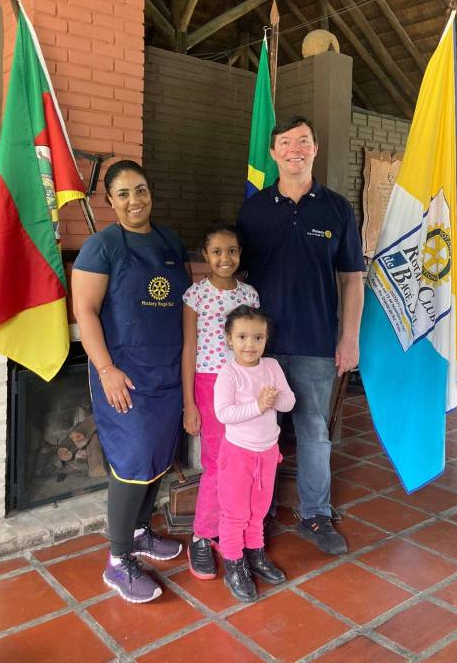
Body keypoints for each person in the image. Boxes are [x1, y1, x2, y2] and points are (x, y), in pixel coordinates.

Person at [236, 116, 365, 555]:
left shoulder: (337, 209)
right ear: (273, 153)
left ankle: (315, 514)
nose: (295, 148)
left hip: (315, 344)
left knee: (314, 433)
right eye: (286, 142)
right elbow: (236, 274)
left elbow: (352, 279)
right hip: (259, 349)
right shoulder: (253, 210)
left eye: (304, 141)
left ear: (315, 149)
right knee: (258, 432)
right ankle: (257, 512)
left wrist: (349, 339)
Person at [72, 160, 191, 604]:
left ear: (150, 192)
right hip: (123, 374)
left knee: (157, 455)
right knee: (131, 461)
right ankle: (118, 560)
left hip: (166, 370)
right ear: (110, 200)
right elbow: (84, 312)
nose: (134, 200)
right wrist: (106, 370)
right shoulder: (101, 247)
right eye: (123, 194)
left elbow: (182, 304)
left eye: (140, 190)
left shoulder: (170, 241)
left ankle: (140, 532)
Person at [182, 224, 259, 580]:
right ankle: (202, 534)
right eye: (217, 251)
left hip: (244, 385)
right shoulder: (195, 296)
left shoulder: (250, 296)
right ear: (205, 255)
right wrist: (189, 403)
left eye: (232, 251)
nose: (225, 258)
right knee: (216, 462)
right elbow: (189, 349)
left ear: (240, 254)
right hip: (209, 383)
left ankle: (233, 529)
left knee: (243, 459)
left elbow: (255, 346)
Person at [214, 305, 295, 602]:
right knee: (235, 513)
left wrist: (273, 399)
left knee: (259, 510)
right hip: (238, 454)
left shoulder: (271, 366)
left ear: (266, 339)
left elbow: (289, 402)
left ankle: (255, 554)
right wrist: (258, 406)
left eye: (258, 338)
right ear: (229, 339)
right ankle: (234, 564)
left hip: (267, 452)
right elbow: (223, 413)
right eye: (242, 337)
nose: (250, 344)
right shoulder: (229, 373)